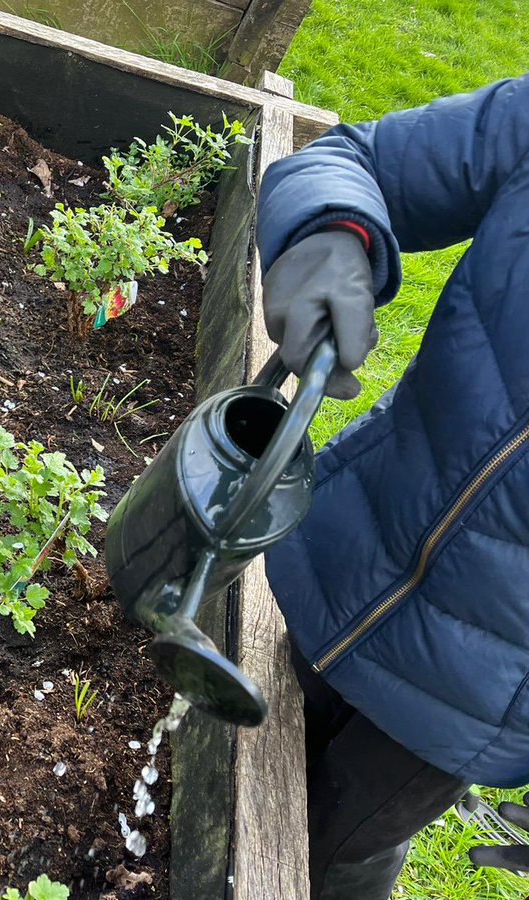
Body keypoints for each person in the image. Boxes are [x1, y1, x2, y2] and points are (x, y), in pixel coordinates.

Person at [256, 74, 529, 899]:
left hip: (466, 707)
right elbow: (359, 158)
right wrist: (326, 232)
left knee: (335, 856)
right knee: (248, 741)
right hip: (345, 543)